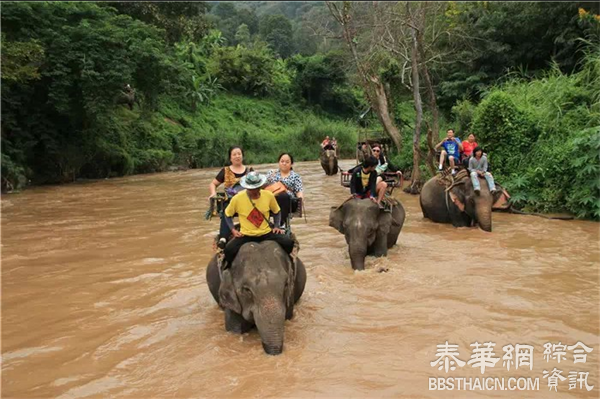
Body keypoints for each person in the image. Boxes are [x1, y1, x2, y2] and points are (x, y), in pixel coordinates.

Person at [222, 171, 295, 268]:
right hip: (246, 235)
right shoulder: (237, 198)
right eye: (252, 189)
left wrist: (277, 226)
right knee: (228, 250)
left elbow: (277, 211)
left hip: (266, 233)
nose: (254, 191)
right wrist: (233, 230)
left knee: (288, 242)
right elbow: (227, 214)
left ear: (260, 186)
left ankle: (290, 264)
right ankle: (228, 269)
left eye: (257, 188)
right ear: (247, 187)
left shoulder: (268, 196)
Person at [208, 146, 253, 246]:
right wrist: (213, 193)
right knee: (227, 209)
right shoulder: (225, 170)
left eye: (239, 154)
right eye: (234, 154)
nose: (237, 156)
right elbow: (213, 184)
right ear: (230, 158)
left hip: (247, 200)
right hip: (231, 200)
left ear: (242, 156)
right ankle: (223, 237)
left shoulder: (249, 171)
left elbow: (257, 186)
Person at [266, 153, 304, 229]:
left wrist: (300, 200)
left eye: (287, 162)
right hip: (273, 200)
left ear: (291, 164)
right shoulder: (272, 173)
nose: (284, 164)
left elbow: (299, 191)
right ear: (278, 162)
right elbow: (264, 186)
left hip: (290, 202)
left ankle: (281, 224)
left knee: (284, 196)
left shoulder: (295, 176)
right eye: (282, 161)